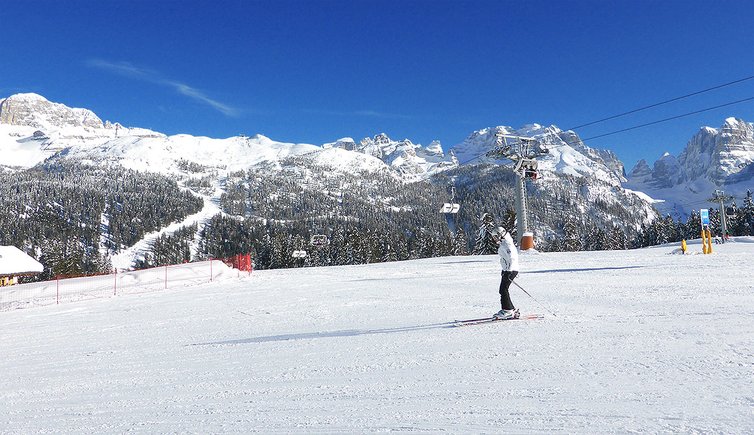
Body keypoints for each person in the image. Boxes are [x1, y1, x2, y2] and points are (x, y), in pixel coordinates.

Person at [493, 227, 520, 319]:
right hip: (508, 270)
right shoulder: (505, 243)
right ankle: (511, 309)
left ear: (500, 235)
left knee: (503, 290)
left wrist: (508, 271)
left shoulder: (507, 244)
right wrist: (504, 270)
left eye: (496, 236)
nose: (495, 239)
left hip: (510, 270)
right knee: (503, 289)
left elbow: (511, 258)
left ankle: (507, 310)